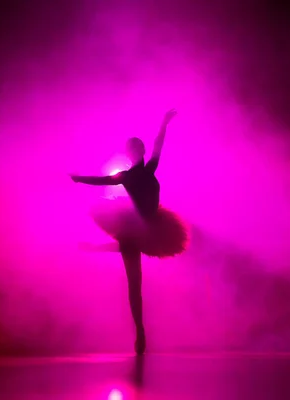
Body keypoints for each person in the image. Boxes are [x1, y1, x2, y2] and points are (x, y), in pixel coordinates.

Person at [70, 109, 188, 354]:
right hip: (135, 227)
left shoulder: (149, 169)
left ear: (141, 152)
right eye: (135, 149)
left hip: (154, 224)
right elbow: (102, 180)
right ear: (132, 154)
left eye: (140, 149)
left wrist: (164, 122)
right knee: (134, 283)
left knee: (135, 279)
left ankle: (147, 328)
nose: (139, 152)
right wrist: (80, 179)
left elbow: (158, 144)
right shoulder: (129, 176)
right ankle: (140, 332)